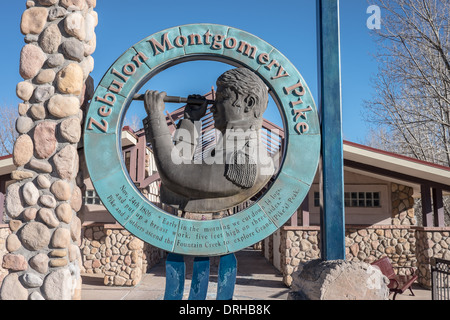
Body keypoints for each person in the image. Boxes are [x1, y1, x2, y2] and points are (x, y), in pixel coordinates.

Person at [143, 68, 275, 213]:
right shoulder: (237, 149)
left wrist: (155, 116)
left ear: (249, 103)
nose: (212, 108)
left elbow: (174, 173)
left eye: (222, 98)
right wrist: (190, 121)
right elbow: (180, 179)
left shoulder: (243, 159)